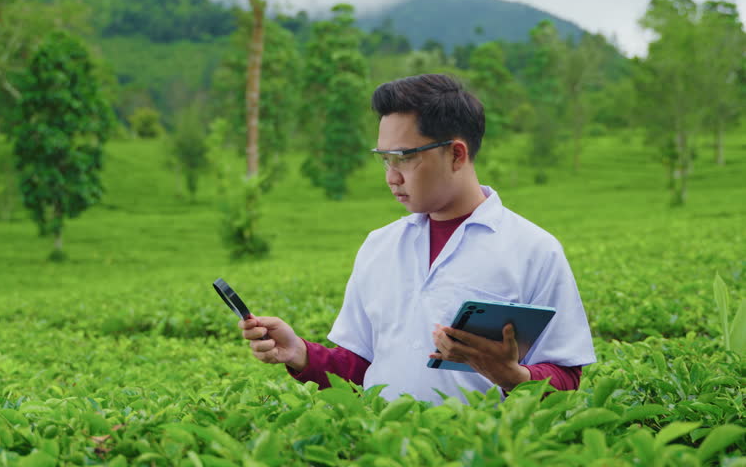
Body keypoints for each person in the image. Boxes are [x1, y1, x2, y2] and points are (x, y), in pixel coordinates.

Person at [239, 74, 596, 404]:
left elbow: (565, 377)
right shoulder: (380, 247)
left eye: (403, 159)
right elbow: (361, 371)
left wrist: (511, 376)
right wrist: (299, 353)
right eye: (384, 160)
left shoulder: (533, 250)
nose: (391, 177)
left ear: (456, 154)